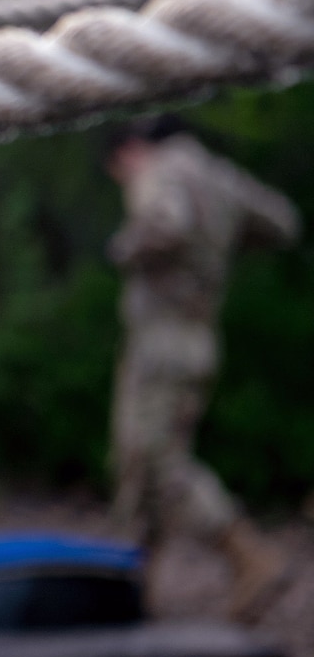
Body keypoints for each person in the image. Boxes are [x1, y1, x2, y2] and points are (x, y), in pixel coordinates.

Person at [104, 115, 301, 622]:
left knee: (154, 463)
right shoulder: (218, 175)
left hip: (161, 341)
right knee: (142, 463)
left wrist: (125, 249)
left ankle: (248, 554)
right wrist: (220, 245)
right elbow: (282, 222)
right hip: (199, 337)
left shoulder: (159, 172)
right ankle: (133, 586)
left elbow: (165, 224)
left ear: (129, 151)